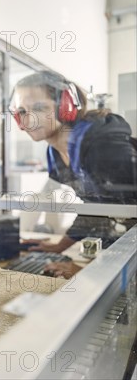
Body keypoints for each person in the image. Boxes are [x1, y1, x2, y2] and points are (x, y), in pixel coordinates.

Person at [9, 71, 137, 278]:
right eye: (22, 111)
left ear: (66, 107)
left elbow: (128, 216)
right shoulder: (56, 155)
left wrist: (91, 271)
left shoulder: (102, 146)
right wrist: (60, 245)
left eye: (40, 108)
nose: (29, 119)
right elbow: (96, 207)